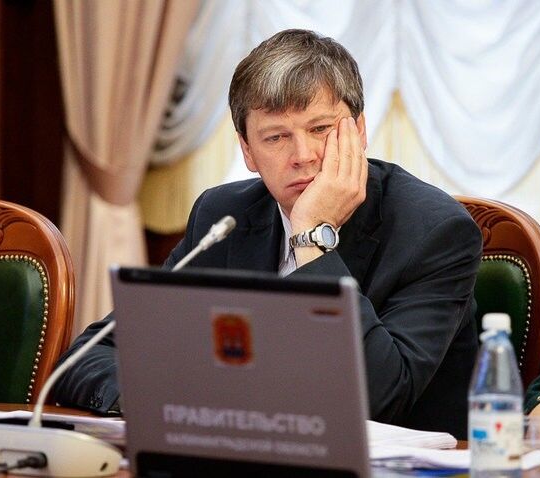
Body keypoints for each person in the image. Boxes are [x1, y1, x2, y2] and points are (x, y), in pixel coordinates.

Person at [53, 29, 482, 439]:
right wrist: (169, 399)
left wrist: (313, 236)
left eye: (321, 129)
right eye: (276, 137)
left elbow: (378, 399)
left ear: (359, 131)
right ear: (247, 151)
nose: (303, 155)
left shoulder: (433, 231)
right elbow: (88, 356)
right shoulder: (224, 218)